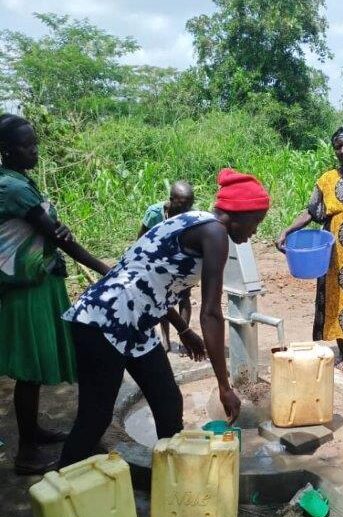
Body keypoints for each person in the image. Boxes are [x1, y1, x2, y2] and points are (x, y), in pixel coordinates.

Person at [58, 168, 270, 468]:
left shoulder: (193, 221)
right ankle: (61, 484)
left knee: (168, 401)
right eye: (256, 221)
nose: (255, 231)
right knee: (95, 417)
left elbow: (152, 282)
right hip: (103, 320)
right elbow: (210, 313)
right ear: (239, 214)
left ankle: (173, 480)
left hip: (135, 324)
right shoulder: (215, 234)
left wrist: (183, 329)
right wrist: (225, 386)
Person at [0, 114, 108, 475]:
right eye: (27, 145)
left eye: (35, 143)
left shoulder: (17, 181)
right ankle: (26, 452)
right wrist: (102, 267)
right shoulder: (13, 188)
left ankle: (35, 432)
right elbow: (57, 235)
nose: (35, 150)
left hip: (40, 283)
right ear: (7, 150)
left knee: (35, 365)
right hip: (28, 290)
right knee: (29, 369)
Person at [277, 127, 343, 377]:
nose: (342, 150)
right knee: (336, 299)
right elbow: (311, 212)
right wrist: (287, 230)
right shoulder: (326, 180)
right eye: (338, 146)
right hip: (334, 252)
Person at [138, 181, 195, 352]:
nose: (185, 210)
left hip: (181, 258)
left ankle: (184, 336)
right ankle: (165, 338)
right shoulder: (154, 213)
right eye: (182, 205)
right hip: (158, 260)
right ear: (171, 200)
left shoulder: (191, 215)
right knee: (162, 298)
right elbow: (141, 237)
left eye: (189, 206)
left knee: (184, 296)